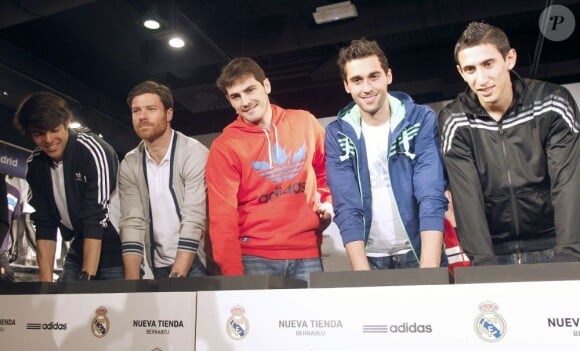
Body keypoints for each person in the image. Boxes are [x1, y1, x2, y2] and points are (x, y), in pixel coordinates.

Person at [439, 22, 580, 265]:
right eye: (470, 69)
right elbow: (467, 196)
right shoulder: (455, 119)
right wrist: (483, 263)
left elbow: (567, 182)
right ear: (461, 72)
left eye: (488, 64)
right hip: (494, 251)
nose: (481, 79)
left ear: (510, 59)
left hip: (552, 244)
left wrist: (568, 253)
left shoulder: (552, 103)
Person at [206, 57, 333, 281]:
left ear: (266, 86)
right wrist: (234, 279)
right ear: (229, 100)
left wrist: (327, 202)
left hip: (307, 251)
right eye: (236, 96)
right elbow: (222, 218)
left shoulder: (304, 121)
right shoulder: (224, 146)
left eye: (250, 90)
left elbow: (327, 171)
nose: (245, 101)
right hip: (254, 256)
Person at [325, 38, 447, 271]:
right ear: (346, 86)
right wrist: (363, 275)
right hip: (370, 258)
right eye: (357, 80)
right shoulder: (337, 133)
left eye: (374, 76)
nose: (367, 88)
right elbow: (346, 204)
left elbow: (430, 193)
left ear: (388, 76)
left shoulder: (420, 119)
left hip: (419, 252)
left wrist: (429, 269)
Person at [13, 92, 123, 281]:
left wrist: (86, 280)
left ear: (66, 122)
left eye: (54, 130)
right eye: (39, 133)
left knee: (105, 310)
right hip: (79, 246)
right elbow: (45, 224)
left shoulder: (93, 150)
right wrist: (45, 286)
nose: (48, 140)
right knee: (58, 305)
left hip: (116, 251)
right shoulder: (35, 165)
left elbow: (95, 218)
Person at [119, 81, 209, 279]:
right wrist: (131, 283)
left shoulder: (193, 153)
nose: (142, 116)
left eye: (151, 109)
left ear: (169, 114)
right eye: (136, 111)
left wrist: (177, 276)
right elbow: (132, 222)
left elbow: (194, 217)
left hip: (196, 261)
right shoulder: (129, 163)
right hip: (157, 264)